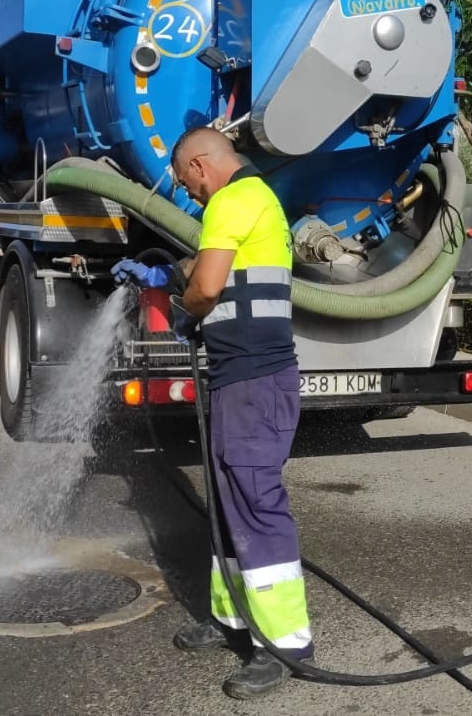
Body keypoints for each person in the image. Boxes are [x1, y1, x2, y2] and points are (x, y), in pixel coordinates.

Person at [111, 127, 312, 700]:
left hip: (253, 380)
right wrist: (170, 273)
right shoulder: (253, 200)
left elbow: (208, 286)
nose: (189, 194)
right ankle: (233, 620)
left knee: (254, 502)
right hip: (242, 378)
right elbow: (219, 266)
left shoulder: (231, 200)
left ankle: (288, 645)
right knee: (228, 503)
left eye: (185, 182)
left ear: (201, 165)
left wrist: (183, 308)